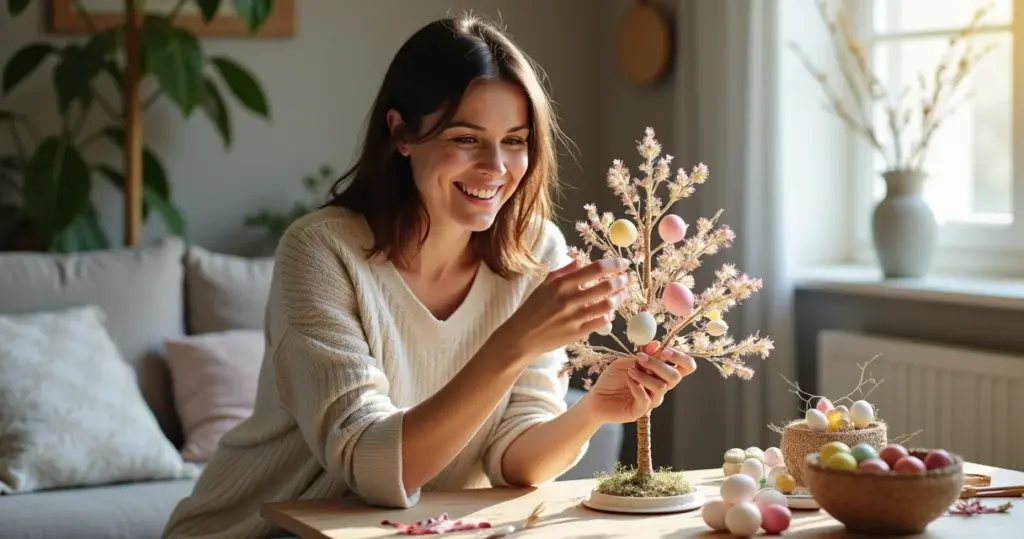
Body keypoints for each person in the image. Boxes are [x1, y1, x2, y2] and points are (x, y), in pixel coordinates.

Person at [161, 13, 696, 539]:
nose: (496, 167)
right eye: (466, 139)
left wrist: (593, 411)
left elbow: (516, 461)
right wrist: (514, 342)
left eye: (515, 140)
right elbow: (373, 468)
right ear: (401, 133)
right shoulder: (321, 251)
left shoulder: (535, 250)